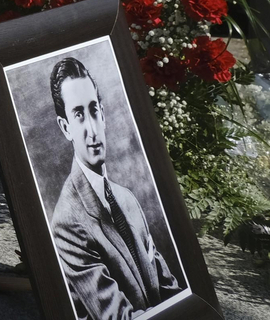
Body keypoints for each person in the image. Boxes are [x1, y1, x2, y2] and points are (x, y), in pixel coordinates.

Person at [48, 57, 182, 318]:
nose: (92, 130)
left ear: (103, 114)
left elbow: (170, 289)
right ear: (66, 128)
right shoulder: (67, 223)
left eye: (94, 110)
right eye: (78, 114)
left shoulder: (127, 199)